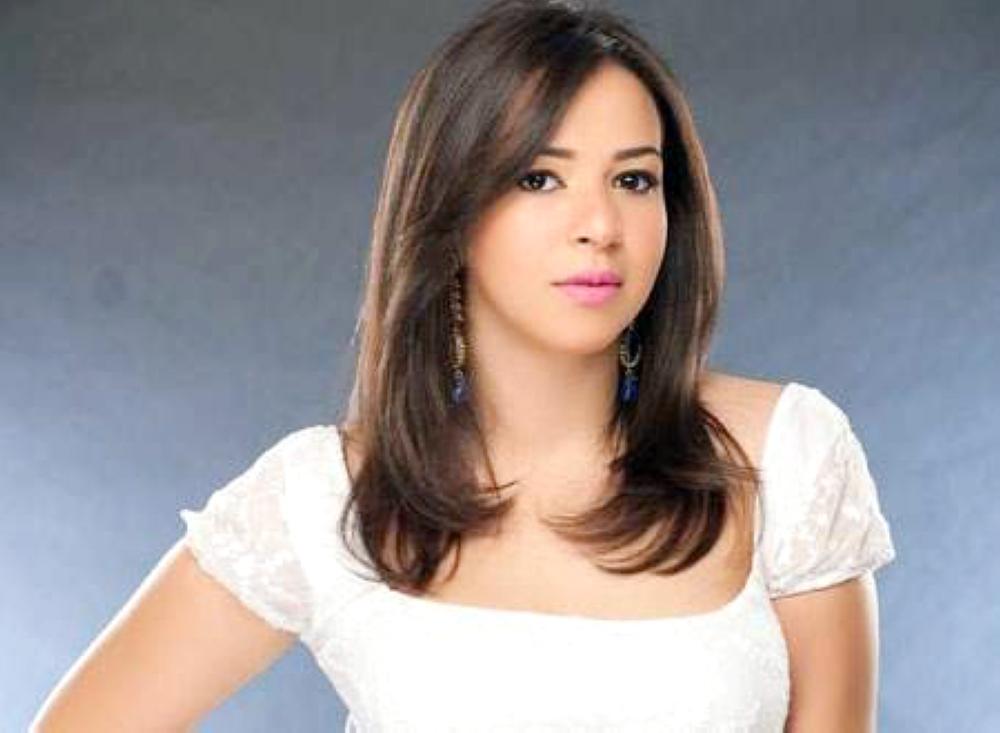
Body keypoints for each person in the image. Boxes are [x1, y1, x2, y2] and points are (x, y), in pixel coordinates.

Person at [32, 0, 897, 730]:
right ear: (450, 210)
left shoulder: (785, 459)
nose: (600, 225)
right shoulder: (327, 497)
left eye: (634, 180)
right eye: (539, 179)